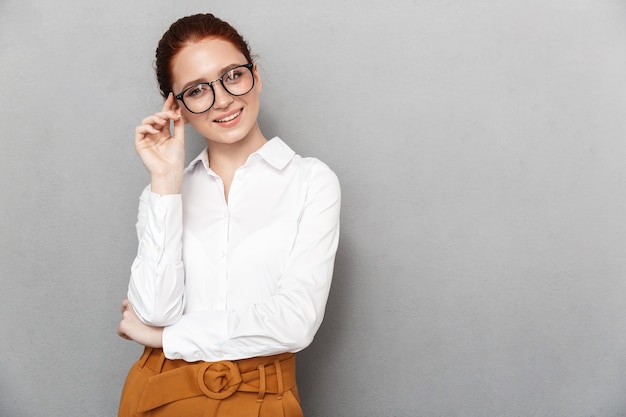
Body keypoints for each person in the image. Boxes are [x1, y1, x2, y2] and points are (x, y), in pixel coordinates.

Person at [116, 13, 341, 417]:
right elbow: (153, 310)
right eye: (197, 90)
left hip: (262, 396)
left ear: (256, 74)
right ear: (177, 106)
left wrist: (165, 338)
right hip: (159, 395)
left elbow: (295, 321)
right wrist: (166, 182)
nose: (222, 99)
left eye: (233, 76)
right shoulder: (164, 192)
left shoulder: (311, 181)